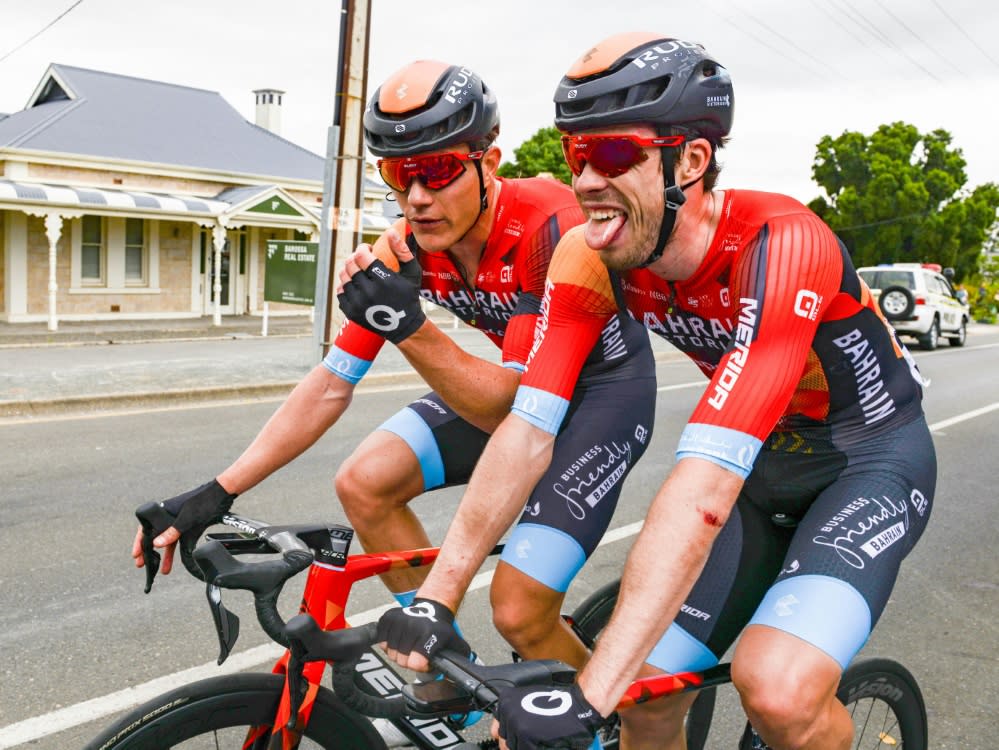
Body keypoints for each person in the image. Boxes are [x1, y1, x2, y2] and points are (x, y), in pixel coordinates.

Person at [375, 33, 936, 750]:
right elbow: (527, 426)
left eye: (612, 156)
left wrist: (588, 697)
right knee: (645, 697)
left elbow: (702, 486)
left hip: (867, 464)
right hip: (763, 474)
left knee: (777, 690)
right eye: (576, 156)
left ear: (691, 160)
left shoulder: (784, 242)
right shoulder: (591, 252)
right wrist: (435, 600)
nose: (584, 182)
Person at [129, 58, 653, 737]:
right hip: (517, 394)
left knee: (519, 607)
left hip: (599, 399)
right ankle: (447, 671)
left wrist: (407, 327)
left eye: (435, 172)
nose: (415, 197)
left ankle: (609, 728)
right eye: (395, 174)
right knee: (366, 480)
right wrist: (216, 490)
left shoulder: (547, 226)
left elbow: (508, 410)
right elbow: (328, 385)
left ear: (488, 160)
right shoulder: (406, 246)